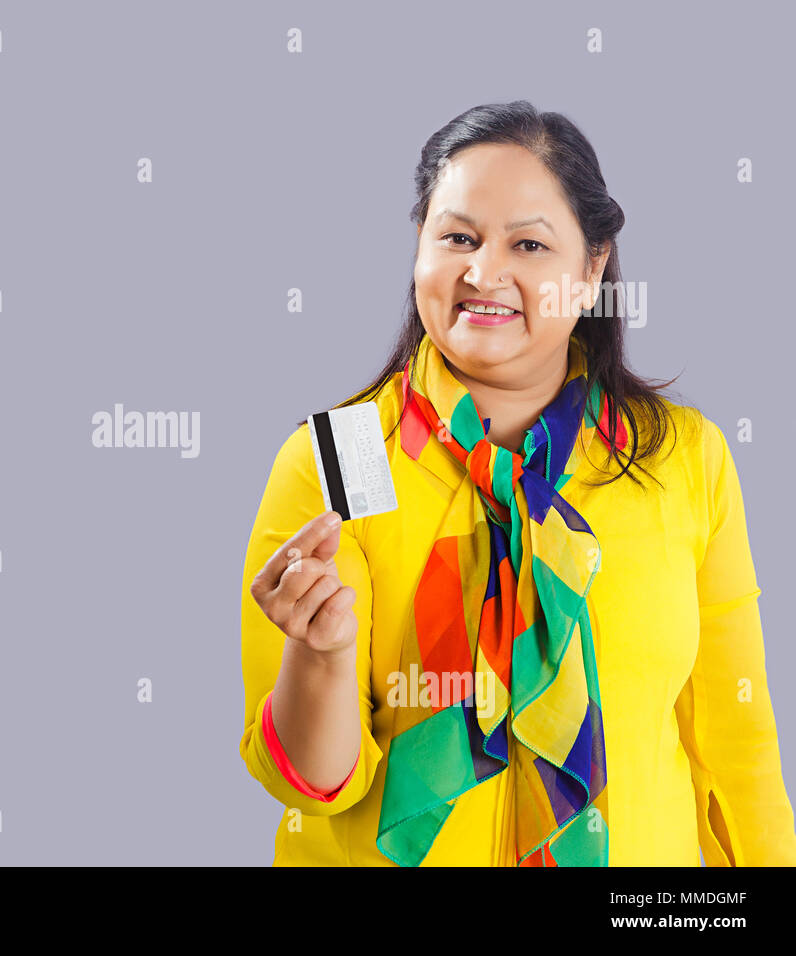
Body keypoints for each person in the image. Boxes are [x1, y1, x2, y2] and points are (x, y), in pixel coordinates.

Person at [239, 101, 796, 866]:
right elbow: (316, 782)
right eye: (458, 237)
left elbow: (737, 747)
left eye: (528, 243)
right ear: (420, 247)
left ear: (592, 267)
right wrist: (323, 656)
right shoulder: (345, 457)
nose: (483, 273)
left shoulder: (681, 458)